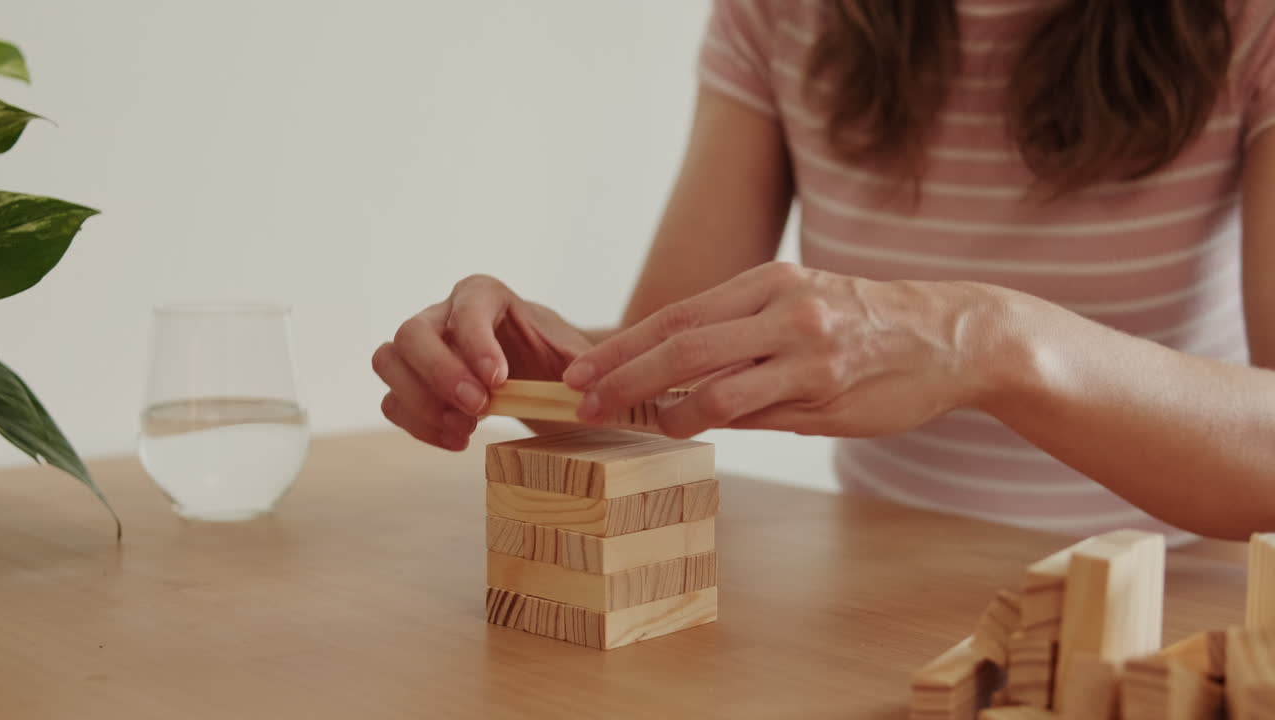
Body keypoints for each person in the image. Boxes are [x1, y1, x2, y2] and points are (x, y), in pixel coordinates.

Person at [372, 0, 1275, 543]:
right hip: (889, 608)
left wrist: (987, 340)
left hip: (1173, 620)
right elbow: (657, 396)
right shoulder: (785, 14)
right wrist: (538, 373)